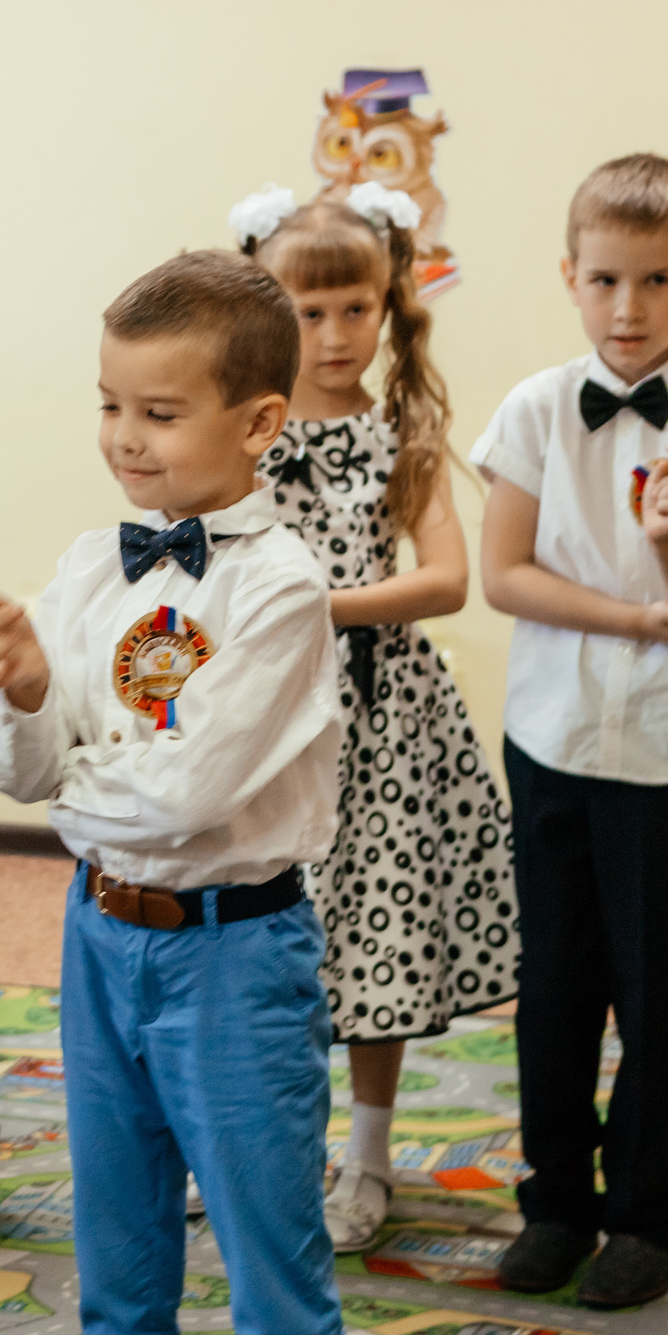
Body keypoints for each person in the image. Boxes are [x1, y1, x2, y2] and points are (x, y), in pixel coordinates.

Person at [0, 251, 367, 1335]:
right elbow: (17, 771)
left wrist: (81, 779)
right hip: (100, 946)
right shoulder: (92, 566)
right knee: (119, 1290)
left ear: (257, 423)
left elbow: (186, 798)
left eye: (159, 413)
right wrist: (32, 693)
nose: (124, 440)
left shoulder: (283, 590)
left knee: (274, 1303)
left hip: (236, 959)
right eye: (109, 405)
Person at [472, 153, 668, 1309]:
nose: (627, 309)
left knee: (656, 994)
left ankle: (651, 1219)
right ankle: (555, 1203)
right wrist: (631, 615)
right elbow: (502, 576)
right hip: (549, 740)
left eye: (654, 281)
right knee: (551, 990)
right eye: (604, 280)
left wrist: (666, 538)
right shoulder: (533, 408)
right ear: (568, 275)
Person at [237, 185, 519, 1252]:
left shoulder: (404, 427)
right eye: (308, 313)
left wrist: (315, 607)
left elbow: (446, 581)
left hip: (377, 721)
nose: (335, 335)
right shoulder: (244, 428)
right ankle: (265, 1149)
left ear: (389, 303)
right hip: (263, 721)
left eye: (356, 308)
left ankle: (366, 1153)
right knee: (266, 942)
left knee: (374, 937)